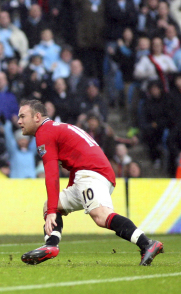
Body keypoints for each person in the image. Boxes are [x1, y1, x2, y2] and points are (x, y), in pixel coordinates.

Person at [17, 99, 163, 266]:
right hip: (92, 173)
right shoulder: (58, 127)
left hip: (91, 173)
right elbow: (79, 155)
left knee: (100, 216)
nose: (19, 121)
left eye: (22, 116)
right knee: (53, 204)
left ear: (37, 117)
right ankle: (50, 247)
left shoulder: (44, 132)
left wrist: (51, 211)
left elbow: (51, 172)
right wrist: (53, 207)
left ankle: (147, 243)